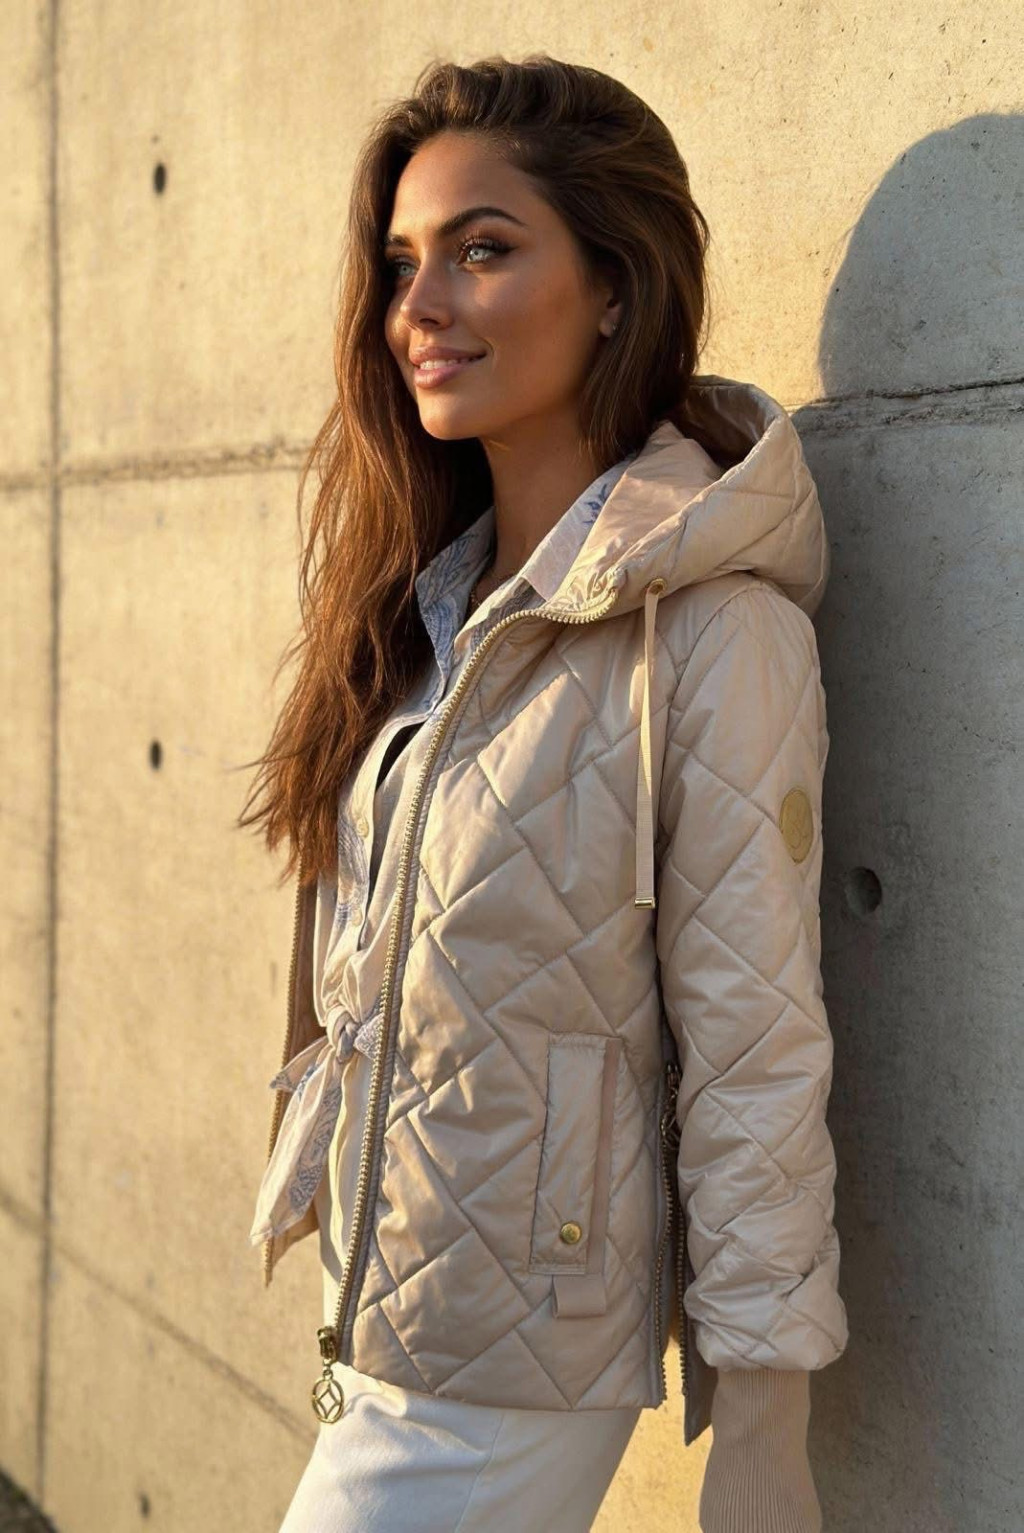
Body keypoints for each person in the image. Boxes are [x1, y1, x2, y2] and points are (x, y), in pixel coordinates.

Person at [239, 52, 849, 1533]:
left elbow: (758, 1043)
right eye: (403, 265)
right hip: (381, 1307)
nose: (420, 307)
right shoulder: (427, 615)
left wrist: (763, 1429)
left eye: (483, 250)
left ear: (615, 288)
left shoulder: (715, 631)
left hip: (514, 1363)